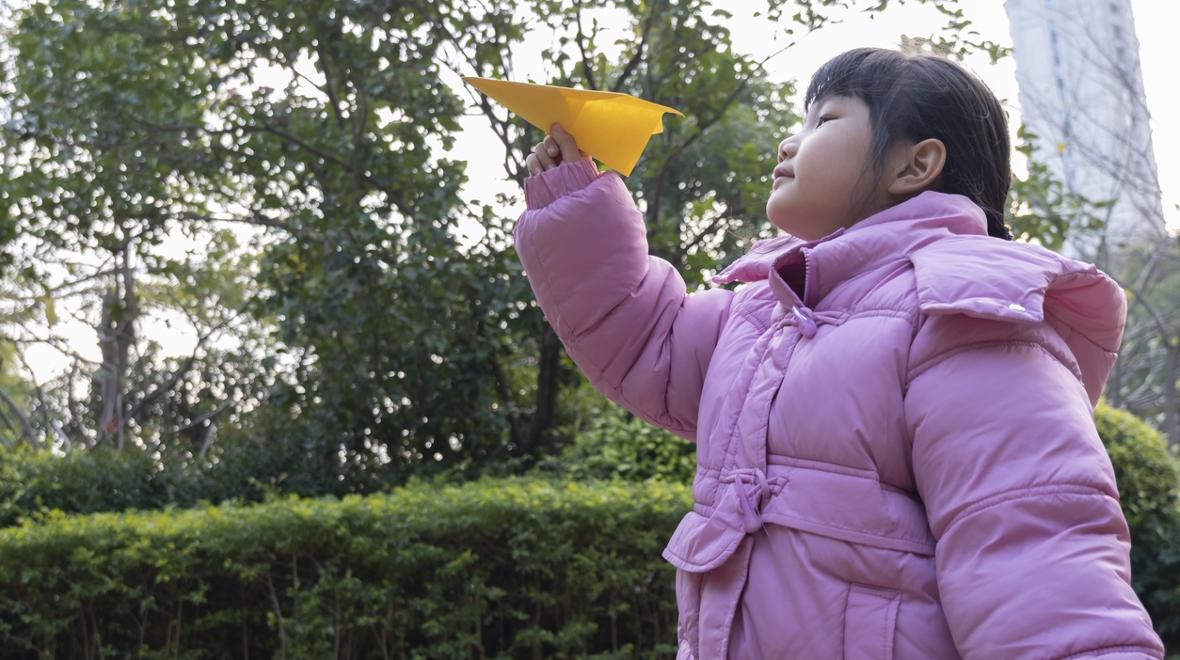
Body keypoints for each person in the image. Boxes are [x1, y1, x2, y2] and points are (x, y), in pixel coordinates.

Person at [514, 47, 1165, 659]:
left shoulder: (964, 310)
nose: (789, 141)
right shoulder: (763, 310)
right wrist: (573, 197)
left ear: (913, 165)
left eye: (824, 120)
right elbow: (648, 339)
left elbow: (1032, 549)